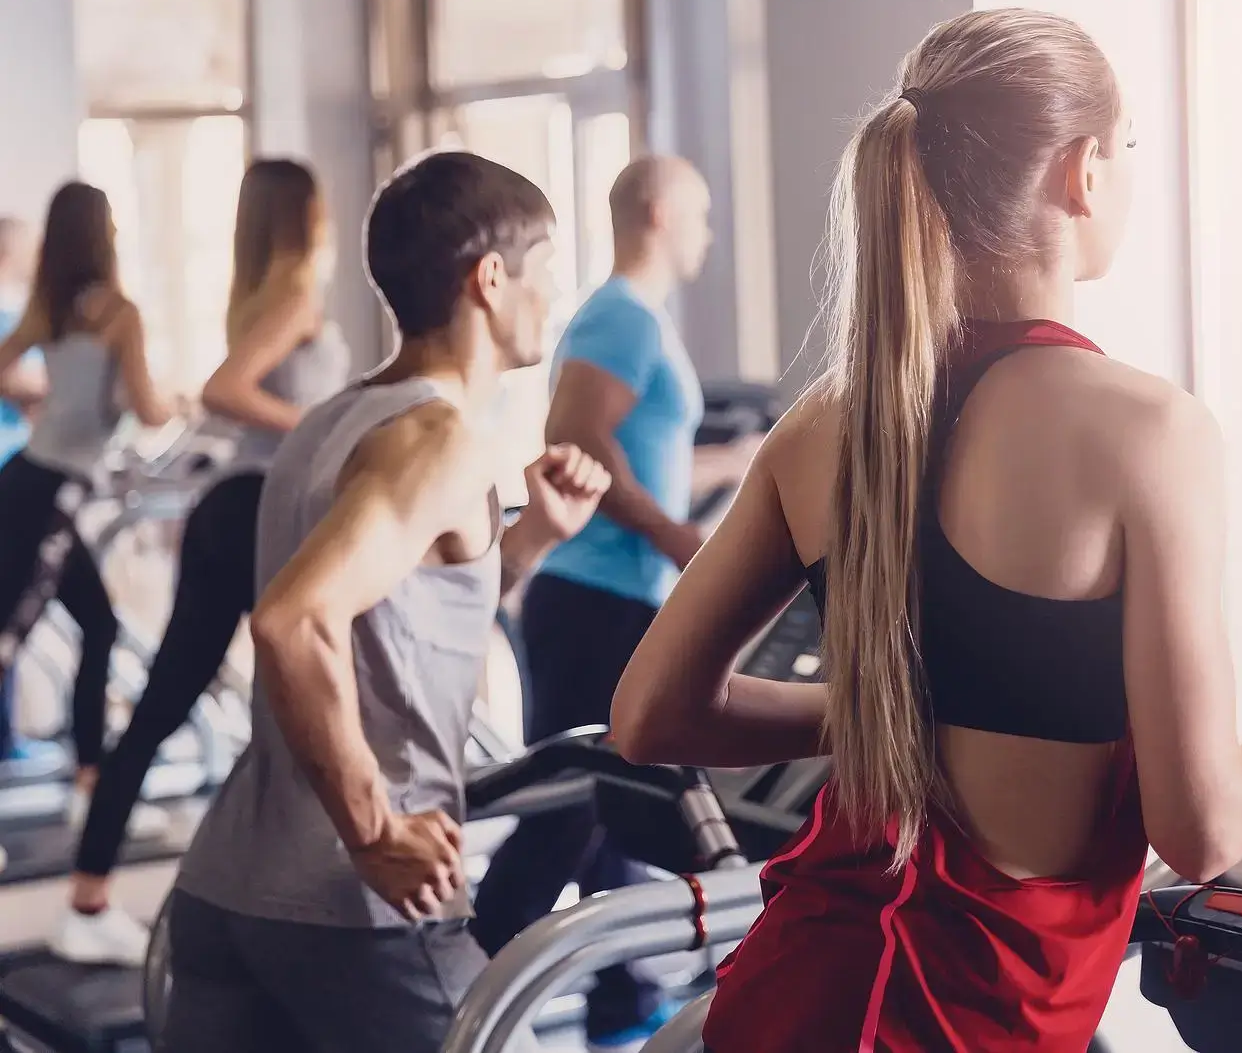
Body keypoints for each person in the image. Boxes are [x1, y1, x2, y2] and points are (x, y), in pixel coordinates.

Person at [610, 8, 1242, 1052]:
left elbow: (650, 714)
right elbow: (1203, 826)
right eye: (1128, 146)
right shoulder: (1149, 431)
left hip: (785, 997)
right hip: (970, 1024)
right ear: (1083, 171)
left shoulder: (824, 422)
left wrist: (881, 708)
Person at [162, 150, 611, 1053]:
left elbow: (403, 611)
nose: (555, 295)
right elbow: (294, 622)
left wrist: (533, 536)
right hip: (353, 905)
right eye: (546, 267)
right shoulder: (438, 438)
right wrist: (371, 829)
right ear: (490, 279)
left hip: (226, 887)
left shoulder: (333, 418)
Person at [471, 154, 756, 1052]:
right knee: (570, 809)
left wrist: (738, 464)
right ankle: (460, 980)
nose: (708, 232)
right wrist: (679, 539)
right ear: (662, 212)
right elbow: (576, 436)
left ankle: (621, 999)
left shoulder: (629, 319)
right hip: (597, 597)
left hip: (611, 595)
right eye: (700, 213)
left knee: (614, 803)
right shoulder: (624, 316)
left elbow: (635, 446)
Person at [51, 159, 352, 968]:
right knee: (304, 704)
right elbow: (227, 390)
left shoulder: (257, 293)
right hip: (261, 508)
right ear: (307, 213)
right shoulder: (295, 295)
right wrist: (328, 427)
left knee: (175, 701)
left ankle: (89, 894)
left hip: (231, 505)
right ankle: (289, 898)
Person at [0, 183, 182, 835]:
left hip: (31, 481)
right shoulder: (119, 314)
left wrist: (40, 400)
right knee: (7, 641)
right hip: (49, 493)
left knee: (99, 627)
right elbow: (149, 408)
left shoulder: (51, 307)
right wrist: (182, 401)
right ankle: (89, 782)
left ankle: (89, 787)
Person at [0, 216, 57, 768]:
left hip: (27, 469)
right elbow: (19, 383)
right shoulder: (11, 316)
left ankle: (7, 738)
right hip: (15, 475)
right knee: (12, 611)